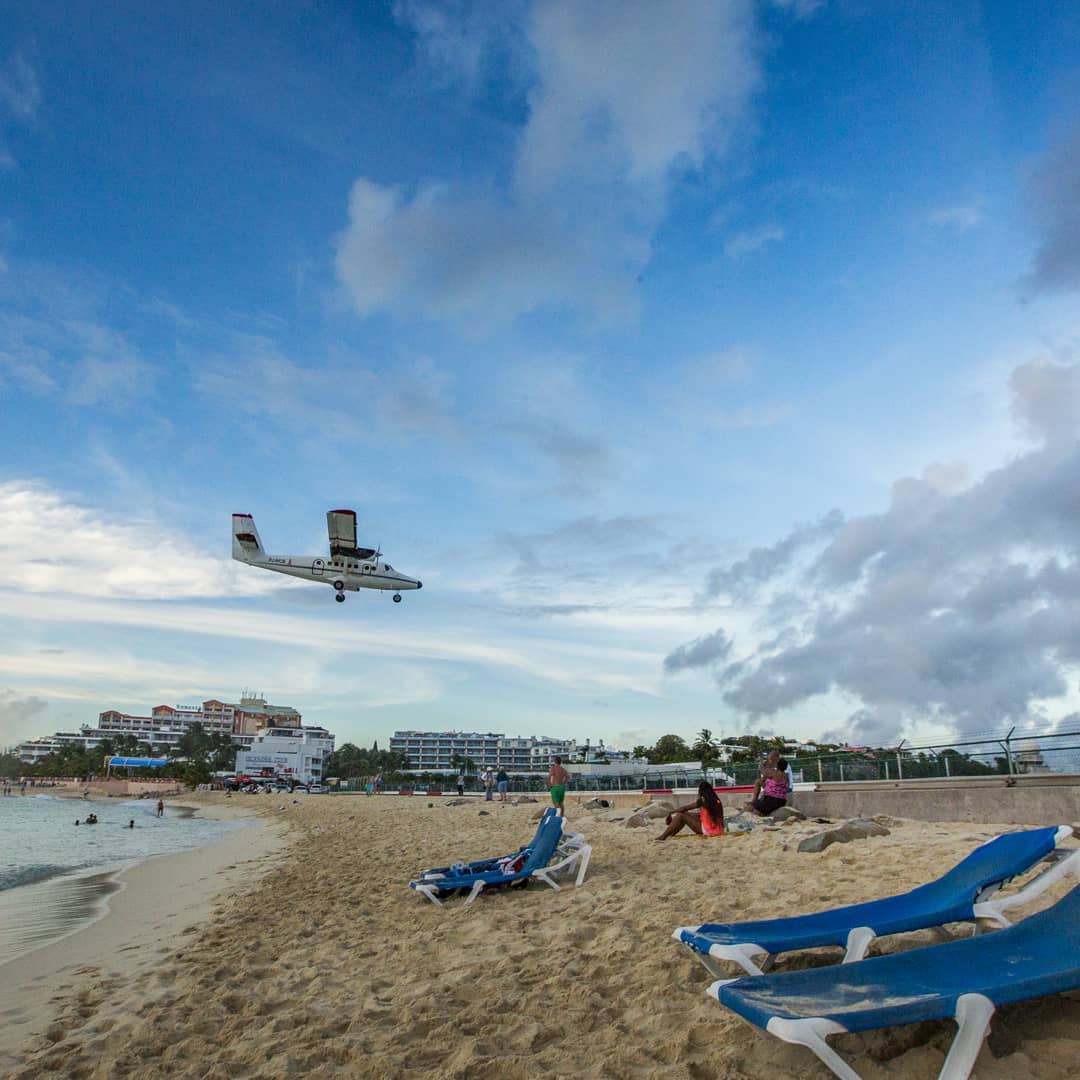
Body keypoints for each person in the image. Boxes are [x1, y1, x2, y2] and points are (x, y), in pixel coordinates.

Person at [655, 781, 725, 841]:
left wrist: (671, 812)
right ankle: (671, 834)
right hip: (719, 830)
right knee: (686, 814)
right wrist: (688, 814)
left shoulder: (703, 801)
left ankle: (663, 836)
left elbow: (685, 808)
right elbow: (708, 815)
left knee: (681, 815)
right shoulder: (717, 801)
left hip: (708, 831)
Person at [748, 752, 789, 816]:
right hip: (781, 801)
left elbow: (762, 770)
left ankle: (754, 802)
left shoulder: (774, 773)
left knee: (752, 808)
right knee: (759, 782)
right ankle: (755, 802)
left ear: (777, 765)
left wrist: (761, 760)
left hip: (771, 800)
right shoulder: (786, 776)